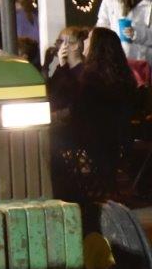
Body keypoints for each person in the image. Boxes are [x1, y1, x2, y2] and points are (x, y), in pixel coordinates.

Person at [56, 27, 139, 196]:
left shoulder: (92, 79)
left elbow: (76, 109)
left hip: (93, 138)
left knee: (50, 138)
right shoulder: (122, 77)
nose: (84, 42)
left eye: (88, 39)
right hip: (116, 139)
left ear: (97, 47)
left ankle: (64, 188)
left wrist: (63, 67)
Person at [43, 26, 88, 112]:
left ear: (75, 46)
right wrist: (46, 65)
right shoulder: (62, 68)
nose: (56, 45)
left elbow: (73, 95)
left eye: (60, 41)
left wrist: (63, 65)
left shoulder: (83, 70)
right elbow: (49, 92)